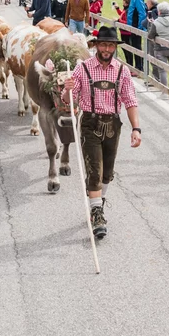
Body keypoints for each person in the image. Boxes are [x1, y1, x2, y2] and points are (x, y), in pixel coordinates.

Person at [61, 25, 141, 239]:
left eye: (111, 45)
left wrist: (136, 128)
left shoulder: (122, 70)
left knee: (107, 172)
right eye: (103, 44)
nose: (107, 48)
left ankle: (99, 204)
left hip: (113, 125)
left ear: (115, 47)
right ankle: (96, 213)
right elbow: (69, 99)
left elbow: (130, 100)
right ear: (96, 45)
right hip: (90, 123)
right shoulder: (82, 68)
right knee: (94, 170)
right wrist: (68, 88)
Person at [146, 1, 169, 92]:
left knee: (162, 70)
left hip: (160, 49)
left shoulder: (156, 23)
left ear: (159, 12)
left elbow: (150, 36)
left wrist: (151, 24)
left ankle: (165, 91)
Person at [125, 0, 147, 73]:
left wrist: (139, 28)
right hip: (132, 26)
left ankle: (139, 68)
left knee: (137, 46)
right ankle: (137, 67)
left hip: (136, 27)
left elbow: (142, 13)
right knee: (134, 46)